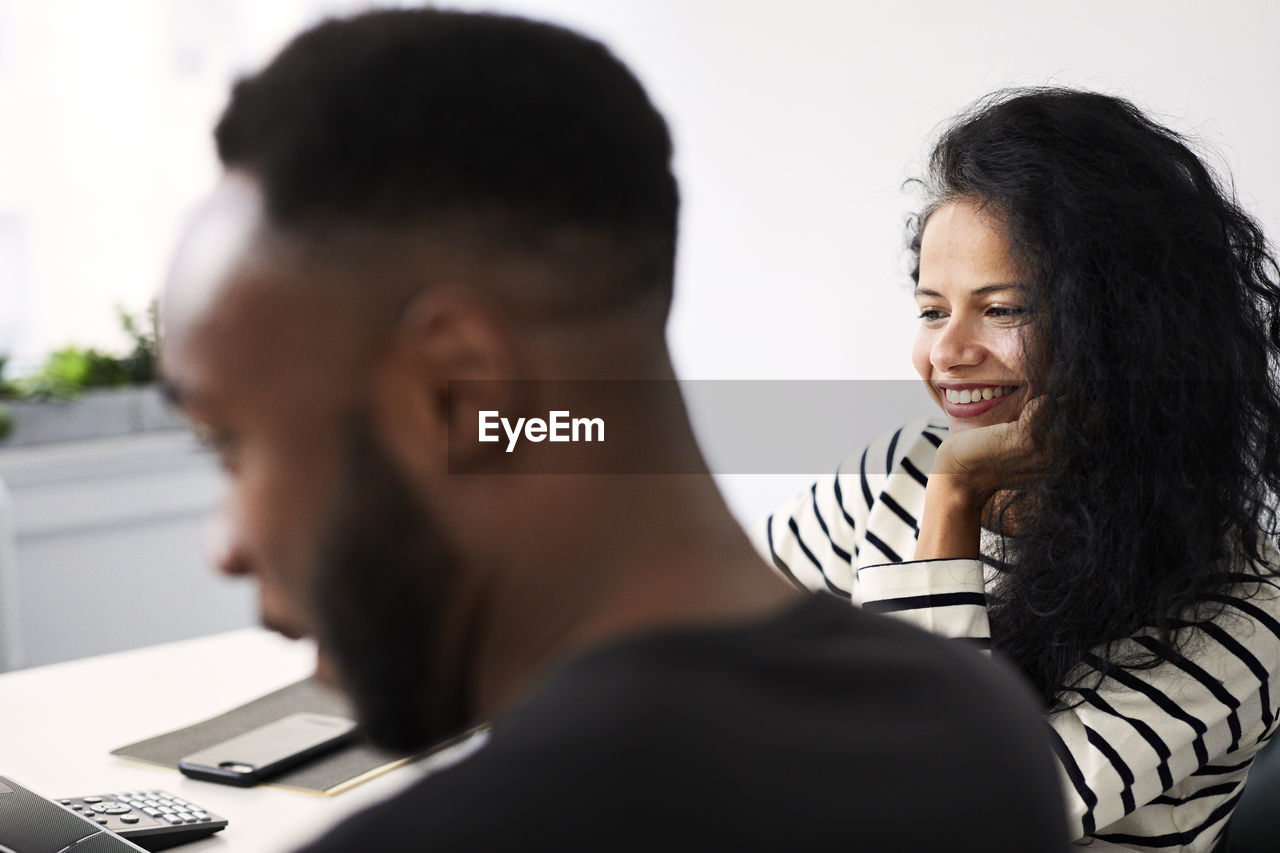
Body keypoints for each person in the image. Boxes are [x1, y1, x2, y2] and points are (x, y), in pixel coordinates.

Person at [157, 9, 1069, 853]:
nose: (224, 546)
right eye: (932, 308)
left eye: (228, 445)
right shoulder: (982, 734)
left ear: (459, 392)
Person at [761, 87, 1280, 852]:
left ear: (1126, 328)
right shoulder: (894, 469)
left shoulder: (1241, 613)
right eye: (934, 309)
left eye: (1002, 309)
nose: (947, 352)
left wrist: (955, 500)